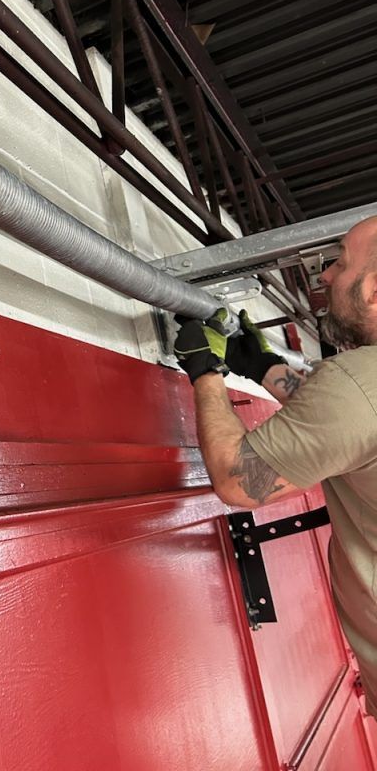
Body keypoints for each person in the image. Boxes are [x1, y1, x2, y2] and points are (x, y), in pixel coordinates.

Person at [174, 213, 377, 717]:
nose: (326, 276)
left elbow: (240, 481)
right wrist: (263, 367)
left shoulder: (360, 383)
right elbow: (347, 426)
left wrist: (207, 371)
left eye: (340, 264)